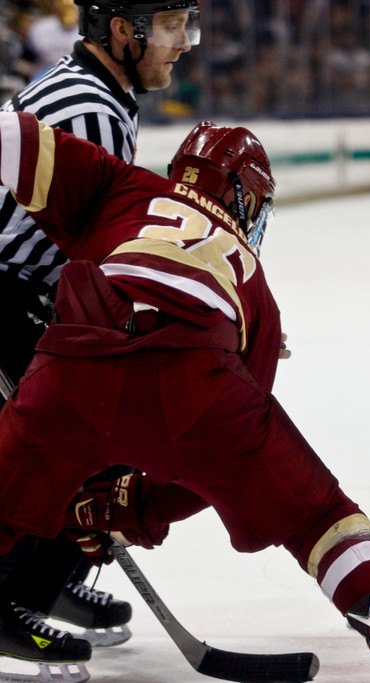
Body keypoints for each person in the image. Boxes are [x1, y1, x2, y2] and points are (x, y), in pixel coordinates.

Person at [0, 112, 370, 683]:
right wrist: (133, 507)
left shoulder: (119, 185)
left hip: (73, 368)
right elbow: (219, 463)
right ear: (246, 197)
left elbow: (12, 135)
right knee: (321, 519)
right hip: (199, 384)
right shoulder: (257, 290)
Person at [0, 0, 200, 676]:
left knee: (97, 432)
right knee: (100, 432)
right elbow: (95, 257)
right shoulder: (89, 107)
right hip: (6, 292)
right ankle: (12, 598)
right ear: (124, 32)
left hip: (20, 289)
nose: (185, 43)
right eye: (172, 27)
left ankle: (37, 582)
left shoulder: (97, 90)